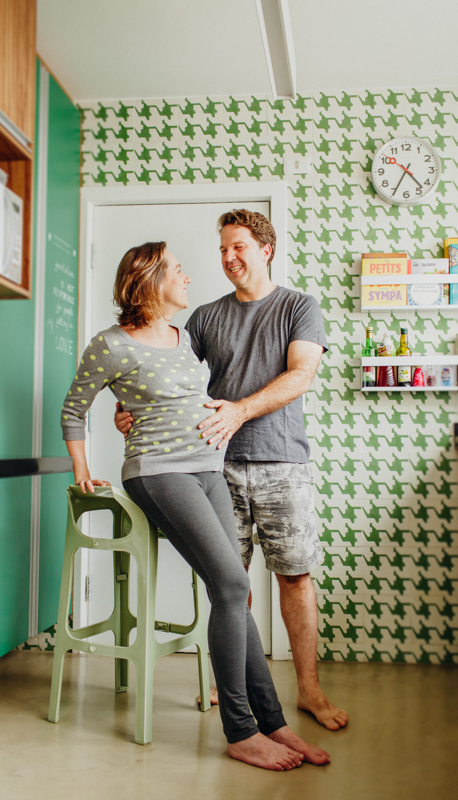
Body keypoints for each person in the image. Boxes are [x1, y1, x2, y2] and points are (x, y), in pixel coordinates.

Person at [60, 241, 329, 770]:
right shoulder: (110, 344)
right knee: (232, 585)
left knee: (234, 588)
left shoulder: (185, 338)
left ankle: (272, 722)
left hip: (207, 470)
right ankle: (240, 730)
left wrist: (139, 407)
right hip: (158, 473)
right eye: (178, 271)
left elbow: (170, 397)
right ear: (151, 281)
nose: (188, 277)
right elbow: (75, 407)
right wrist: (82, 467)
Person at [115, 210, 348, 731]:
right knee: (228, 581)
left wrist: (240, 410)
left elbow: (301, 374)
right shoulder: (203, 317)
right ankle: (234, 684)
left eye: (238, 246)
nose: (228, 257)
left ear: (265, 247)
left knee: (295, 575)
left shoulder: (298, 307)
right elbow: (160, 374)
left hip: (282, 460)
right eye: (222, 248)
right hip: (210, 465)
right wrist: (126, 406)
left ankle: (308, 689)